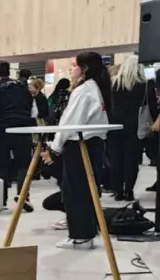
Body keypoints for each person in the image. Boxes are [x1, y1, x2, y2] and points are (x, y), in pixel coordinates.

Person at [49, 52, 112, 250]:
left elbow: (70, 123)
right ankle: (86, 233)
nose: (71, 69)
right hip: (92, 144)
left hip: (79, 145)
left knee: (75, 191)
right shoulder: (95, 88)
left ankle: (80, 236)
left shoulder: (84, 90)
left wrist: (56, 145)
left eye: (74, 65)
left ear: (84, 68)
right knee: (86, 190)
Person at [0, 60, 36, 210]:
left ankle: (1, 200)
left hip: (1, 129)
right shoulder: (21, 86)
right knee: (23, 164)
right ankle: (23, 196)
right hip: (22, 127)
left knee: (1, 165)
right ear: (9, 71)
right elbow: (30, 103)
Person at [107, 55, 159, 201]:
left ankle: (118, 191)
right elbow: (152, 106)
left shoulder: (113, 83)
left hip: (114, 126)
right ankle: (128, 191)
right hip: (135, 126)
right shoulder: (145, 84)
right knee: (132, 160)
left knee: (116, 159)